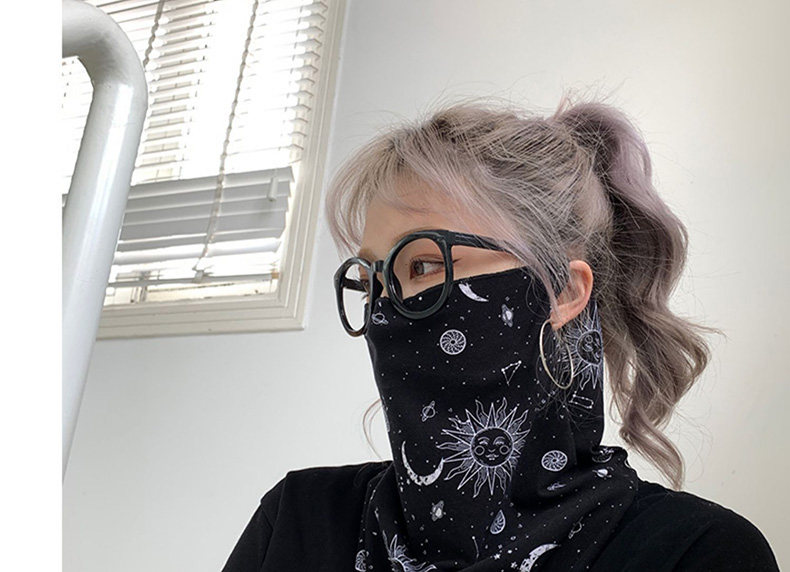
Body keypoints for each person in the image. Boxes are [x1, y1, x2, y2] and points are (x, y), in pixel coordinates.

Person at [220, 94, 779, 571]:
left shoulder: (695, 553)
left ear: (562, 290)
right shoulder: (296, 521)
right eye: (371, 281)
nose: (387, 310)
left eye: (424, 265)